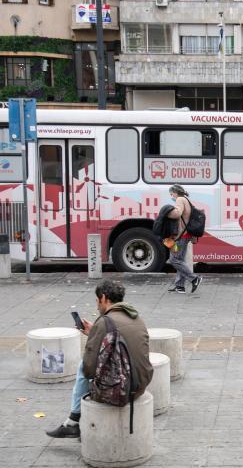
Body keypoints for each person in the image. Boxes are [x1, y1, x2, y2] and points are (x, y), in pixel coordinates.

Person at [46, 279, 153, 438]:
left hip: (120, 390)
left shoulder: (104, 322)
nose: (97, 305)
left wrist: (94, 335)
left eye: (97, 301)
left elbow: (89, 369)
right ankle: (75, 421)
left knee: (82, 367)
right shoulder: (136, 317)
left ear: (103, 298)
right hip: (141, 384)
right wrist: (94, 333)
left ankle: (73, 421)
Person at [167, 184, 202, 294]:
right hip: (185, 235)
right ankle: (180, 286)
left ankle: (194, 279)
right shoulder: (186, 199)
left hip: (181, 235)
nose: (171, 196)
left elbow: (177, 214)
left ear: (176, 193)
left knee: (174, 259)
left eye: (171, 194)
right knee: (180, 260)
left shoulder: (180, 199)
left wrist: (166, 212)